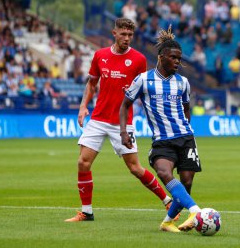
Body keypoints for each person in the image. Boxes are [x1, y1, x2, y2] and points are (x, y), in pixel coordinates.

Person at [65, 18, 173, 222]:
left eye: (130, 35)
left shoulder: (139, 59)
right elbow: (92, 83)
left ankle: (167, 200)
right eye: (123, 34)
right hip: (98, 118)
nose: (127, 38)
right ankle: (86, 211)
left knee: (134, 168)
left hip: (123, 123)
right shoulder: (100, 55)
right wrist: (82, 107)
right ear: (114, 33)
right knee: (83, 162)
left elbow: (144, 88)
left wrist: (135, 92)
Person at [120, 26, 202, 233]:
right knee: (164, 172)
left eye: (179, 58)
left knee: (186, 183)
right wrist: (123, 131)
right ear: (161, 56)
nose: (177, 62)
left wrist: (187, 131)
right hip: (162, 140)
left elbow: (186, 109)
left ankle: (167, 222)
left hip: (185, 138)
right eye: (173, 58)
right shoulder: (143, 80)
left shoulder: (183, 83)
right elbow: (125, 105)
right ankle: (196, 211)